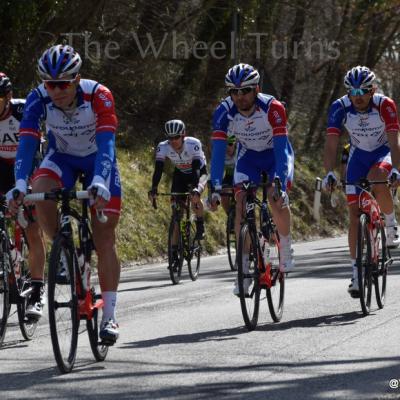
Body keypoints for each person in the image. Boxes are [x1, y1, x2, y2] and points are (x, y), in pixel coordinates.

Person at [7, 45, 122, 343]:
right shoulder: (38, 98)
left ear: (76, 79)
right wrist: (20, 184)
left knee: (105, 236)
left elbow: (108, 143)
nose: (56, 90)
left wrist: (100, 180)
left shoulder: (99, 95)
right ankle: (64, 249)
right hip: (62, 158)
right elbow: (28, 143)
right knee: (40, 191)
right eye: (50, 84)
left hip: (98, 159)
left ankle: (109, 316)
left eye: (63, 84)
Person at [208, 63, 295, 296]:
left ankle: (285, 248)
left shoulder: (272, 108)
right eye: (233, 92)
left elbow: (280, 148)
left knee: (275, 198)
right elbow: (217, 152)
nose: (239, 96)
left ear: (256, 89)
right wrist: (214, 185)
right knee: (241, 207)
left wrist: (281, 181)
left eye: (245, 90)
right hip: (248, 158)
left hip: (275, 157)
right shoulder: (223, 112)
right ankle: (244, 268)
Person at [322, 65, 400, 298]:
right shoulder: (340, 107)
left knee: (377, 180)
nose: (357, 97)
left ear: (372, 89)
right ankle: (356, 273)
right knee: (354, 215)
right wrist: (329, 172)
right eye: (352, 92)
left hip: (383, 151)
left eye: (362, 92)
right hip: (358, 155)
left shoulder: (385, 104)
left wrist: (396, 168)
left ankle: (390, 222)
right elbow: (331, 143)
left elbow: (394, 139)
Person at [0, 72, 46, 319]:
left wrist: (29, 187)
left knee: (32, 226)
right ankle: (7, 254)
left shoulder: (22, 111)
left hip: (28, 163)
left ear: (8, 97)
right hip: (1, 166)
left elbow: (36, 151)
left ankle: (37, 292)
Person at [148, 119, 207, 246]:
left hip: (198, 173)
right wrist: (153, 188)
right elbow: (158, 169)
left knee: (195, 198)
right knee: (175, 214)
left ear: (183, 135)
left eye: (176, 137)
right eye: (170, 138)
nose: (173, 141)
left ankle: (200, 224)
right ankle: (174, 250)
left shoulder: (194, 144)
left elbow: (197, 168)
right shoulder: (163, 147)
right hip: (180, 174)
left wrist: (196, 188)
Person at [220, 134, 236, 216]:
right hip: (229, 176)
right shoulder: (222, 153)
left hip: (241, 176)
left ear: (235, 144)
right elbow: (218, 170)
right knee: (223, 195)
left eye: (230, 144)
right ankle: (230, 216)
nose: (227, 147)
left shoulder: (239, 151)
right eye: (225, 144)